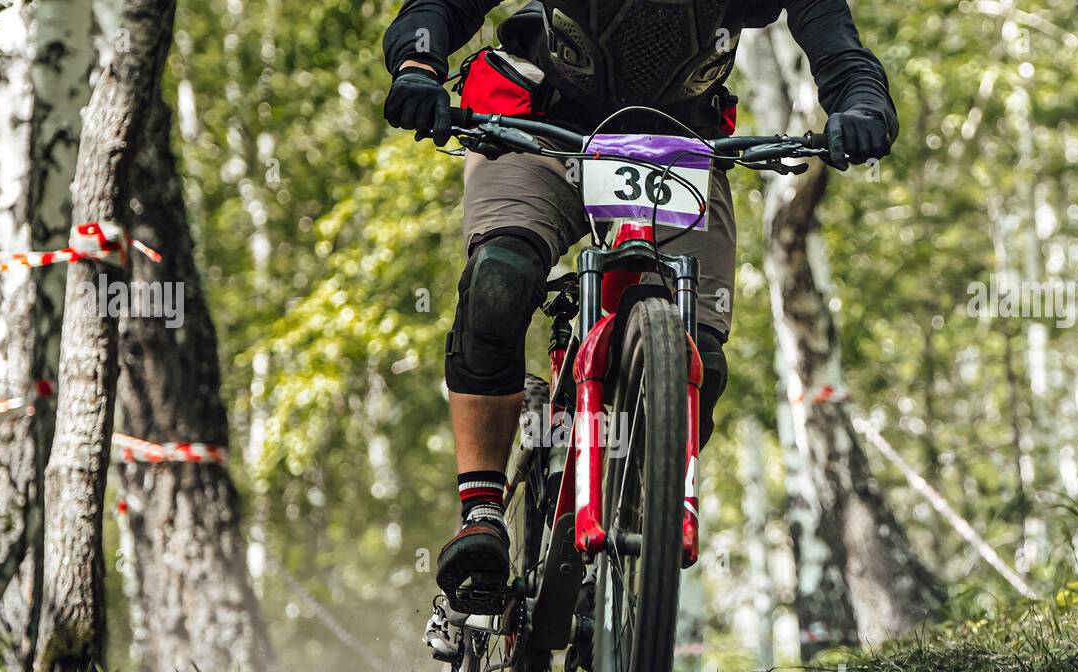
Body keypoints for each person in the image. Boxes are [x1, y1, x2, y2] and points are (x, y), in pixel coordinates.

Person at [382, 0, 898, 614]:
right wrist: (417, 65)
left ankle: (629, 521)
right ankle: (483, 511)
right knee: (499, 281)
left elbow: (830, 32)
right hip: (534, 124)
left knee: (700, 358)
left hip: (673, 146)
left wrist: (862, 103)